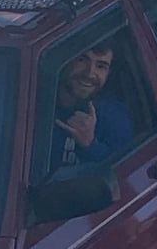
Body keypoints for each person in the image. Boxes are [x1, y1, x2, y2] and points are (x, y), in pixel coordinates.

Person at [50, 39, 134, 171]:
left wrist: (90, 144)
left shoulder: (115, 118)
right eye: (82, 60)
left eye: (100, 66)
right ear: (64, 61)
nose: (89, 73)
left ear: (108, 74)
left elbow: (125, 173)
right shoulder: (31, 103)